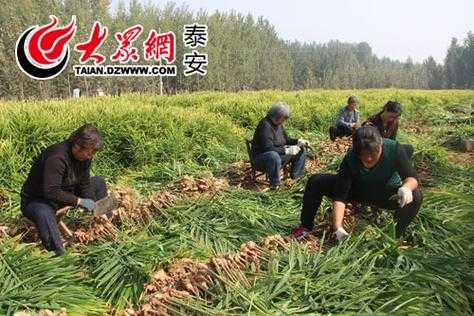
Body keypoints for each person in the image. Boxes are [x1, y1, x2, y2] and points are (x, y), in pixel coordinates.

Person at [291, 125, 422, 241]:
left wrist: (406, 188)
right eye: (364, 156)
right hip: (357, 190)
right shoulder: (351, 158)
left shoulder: (394, 150)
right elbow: (340, 195)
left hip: (384, 193)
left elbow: (411, 177)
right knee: (316, 181)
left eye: (372, 154)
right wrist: (338, 227)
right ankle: (305, 227)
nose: (369, 159)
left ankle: (396, 236)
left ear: (380, 145)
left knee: (416, 196)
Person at [21, 123, 107, 256]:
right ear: (77, 146)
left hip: (66, 192)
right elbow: (51, 192)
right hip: (39, 199)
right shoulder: (57, 157)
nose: (89, 157)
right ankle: (59, 253)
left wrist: (92, 203)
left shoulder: (85, 158)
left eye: (92, 154)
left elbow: (84, 184)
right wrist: (79, 201)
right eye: (88, 153)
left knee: (98, 182)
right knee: (44, 213)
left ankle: (104, 224)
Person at [251, 101, 309, 190]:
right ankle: (275, 185)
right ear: (277, 116)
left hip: (278, 156)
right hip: (262, 159)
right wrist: (287, 150)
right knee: (273, 156)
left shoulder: (278, 125)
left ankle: (296, 178)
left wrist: (299, 141)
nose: (284, 121)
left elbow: (287, 140)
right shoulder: (265, 126)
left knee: (301, 149)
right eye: (284, 118)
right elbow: (268, 148)